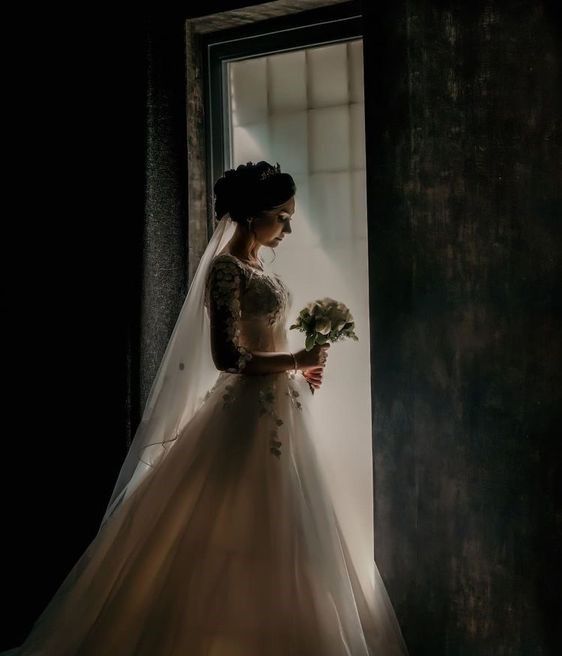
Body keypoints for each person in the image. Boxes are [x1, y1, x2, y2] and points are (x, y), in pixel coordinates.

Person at [2, 161, 409, 655]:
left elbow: (262, 344)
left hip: (280, 409)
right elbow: (229, 357)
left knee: (289, 529)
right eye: (282, 217)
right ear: (254, 215)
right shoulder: (226, 270)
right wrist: (294, 358)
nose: (288, 228)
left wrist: (297, 369)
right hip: (242, 418)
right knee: (231, 524)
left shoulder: (258, 266)